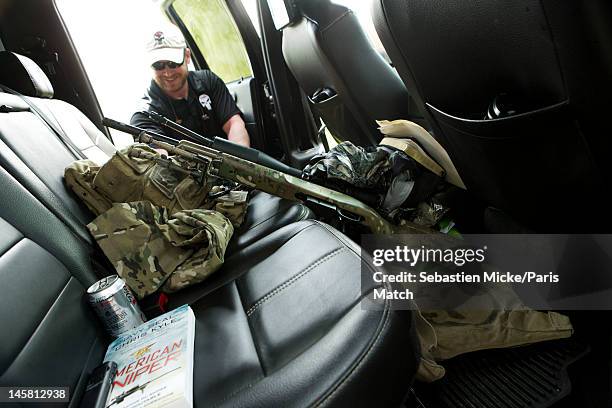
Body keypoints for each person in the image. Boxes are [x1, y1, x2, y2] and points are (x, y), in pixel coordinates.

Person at [131, 27, 250, 147]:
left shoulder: (208, 81)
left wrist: (240, 161)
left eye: (173, 63)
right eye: (158, 65)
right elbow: (158, 155)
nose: (167, 73)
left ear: (187, 56)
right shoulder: (144, 113)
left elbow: (233, 123)